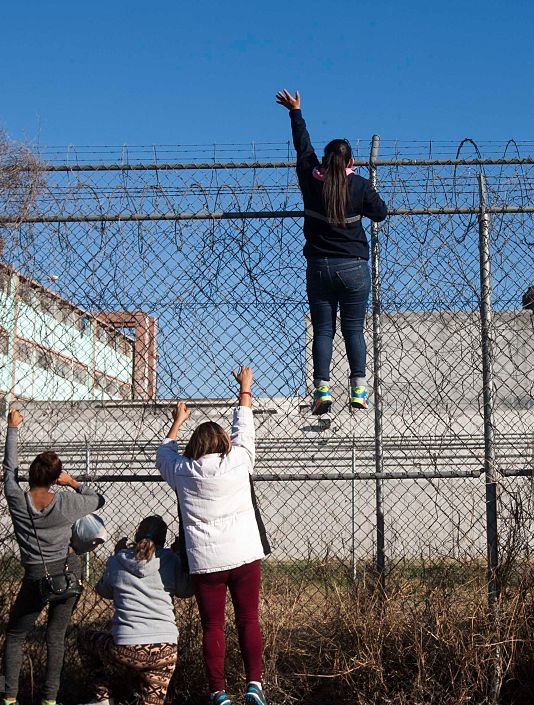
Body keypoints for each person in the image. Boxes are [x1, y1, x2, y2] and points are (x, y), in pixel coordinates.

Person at [156, 366, 268, 705]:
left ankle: (219, 693)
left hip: (206, 563)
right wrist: (245, 388)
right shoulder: (239, 461)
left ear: (194, 447)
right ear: (224, 443)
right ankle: (254, 686)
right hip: (246, 554)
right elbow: (244, 427)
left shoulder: (182, 471)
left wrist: (177, 420)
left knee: (213, 628)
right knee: (248, 619)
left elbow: (163, 452)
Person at [275, 88, 388, 415]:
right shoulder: (360, 185)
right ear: (351, 162)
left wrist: (295, 112)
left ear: (324, 161)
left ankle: (322, 391)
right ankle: (358, 391)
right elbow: (380, 212)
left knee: (324, 329)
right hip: (354, 267)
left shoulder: (311, 180)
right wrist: (363, 186)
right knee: (353, 329)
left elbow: (303, 148)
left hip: (319, 266)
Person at [1, 408, 105, 705]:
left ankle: (10, 698)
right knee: (55, 636)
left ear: (31, 474)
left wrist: (12, 428)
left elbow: (9, 471)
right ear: (55, 477)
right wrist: (72, 483)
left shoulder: (16, 498)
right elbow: (99, 500)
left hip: (36, 575)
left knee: (16, 634)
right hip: (66, 574)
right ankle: (49, 700)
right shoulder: (67, 502)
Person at [79, 515, 194, 705]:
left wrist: (114, 556)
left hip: (126, 648)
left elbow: (103, 590)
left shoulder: (119, 560)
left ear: (136, 534)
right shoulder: (171, 560)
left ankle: (102, 698)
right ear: (163, 539)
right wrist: (180, 555)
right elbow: (186, 590)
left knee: (84, 639)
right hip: (165, 650)